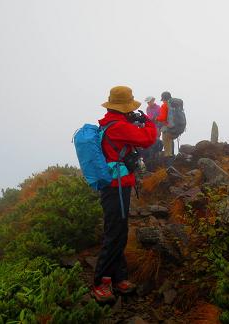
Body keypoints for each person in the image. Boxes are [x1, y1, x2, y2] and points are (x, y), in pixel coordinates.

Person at [93, 86, 157, 302]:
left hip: (115, 184)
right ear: (124, 108)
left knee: (119, 231)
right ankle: (101, 282)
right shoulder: (118, 127)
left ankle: (119, 277)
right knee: (115, 233)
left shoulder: (108, 122)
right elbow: (148, 138)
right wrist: (147, 120)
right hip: (116, 186)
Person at [156, 91, 174, 157]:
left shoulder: (164, 105)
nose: (162, 101)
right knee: (170, 141)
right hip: (174, 126)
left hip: (167, 126)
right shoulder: (173, 104)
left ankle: (167, 156)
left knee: (165, 141)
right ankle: (171, 154)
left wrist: (157, 118)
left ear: (164, 99)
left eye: (163, 100)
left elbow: (162, 117)